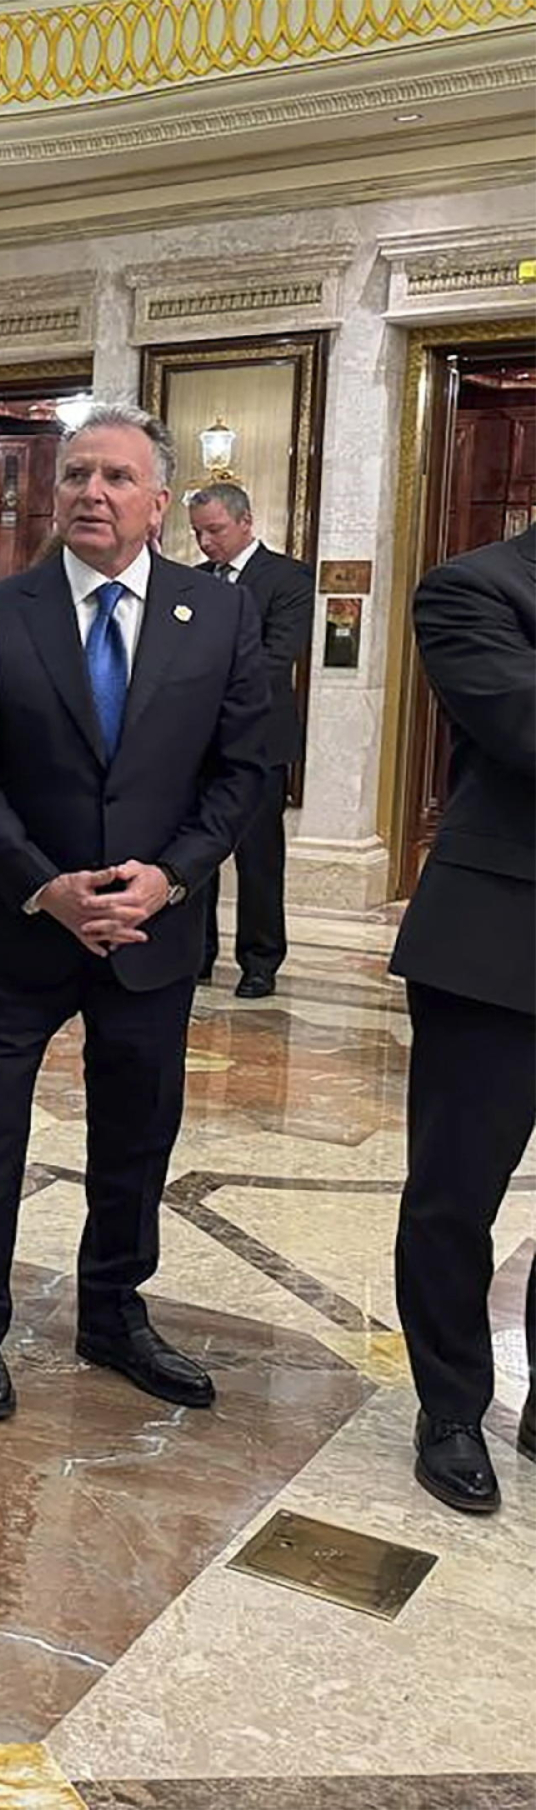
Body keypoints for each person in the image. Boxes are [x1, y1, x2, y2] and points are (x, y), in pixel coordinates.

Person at [0, 404, 269, 1423]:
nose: (92, 492)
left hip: (152, 932)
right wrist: (45, 883)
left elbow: (246, 769)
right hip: (19, 924)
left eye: (117, 478)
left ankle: (114, 1311)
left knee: (136, 1134)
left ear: (160, 502)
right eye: (77, 473)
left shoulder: (214, 616)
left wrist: (169, 877)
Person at [390, 523, 534, 1514]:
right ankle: (450, 1406)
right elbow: (524, 723)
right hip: (496, 947)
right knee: (453, 1199)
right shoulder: (471, 588)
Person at [186, 482, 314, 997]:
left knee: (258, 857)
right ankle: (197, 952)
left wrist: (202, 682)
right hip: (196, 743)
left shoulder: (287, 578)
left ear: (245, 522)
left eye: (214, 530)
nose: (205, 543)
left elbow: (276, 656)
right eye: (197, 533)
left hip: (259, 741)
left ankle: (260, 960)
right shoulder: (192, 583)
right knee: (196, 851)